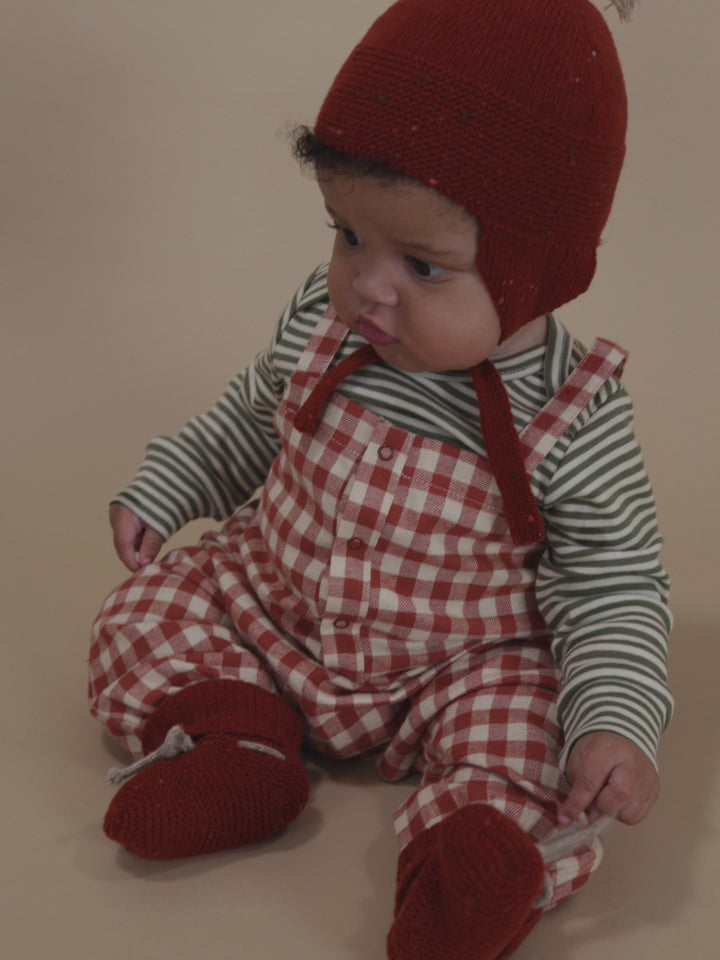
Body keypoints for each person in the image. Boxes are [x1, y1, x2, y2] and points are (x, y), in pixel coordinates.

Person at [88, 1, 672, 957]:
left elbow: (614, 586)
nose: (368, 285)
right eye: (349, 234)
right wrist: (173, 482)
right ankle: (238, 743)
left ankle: (464, 859)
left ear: (534, 271)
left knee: (539, 741)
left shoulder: (569, 415)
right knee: (145, 610)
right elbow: (252, 414)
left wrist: (617, 723)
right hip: (274, 610)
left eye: (423, 264)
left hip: (455, 669)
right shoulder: (329, 315)